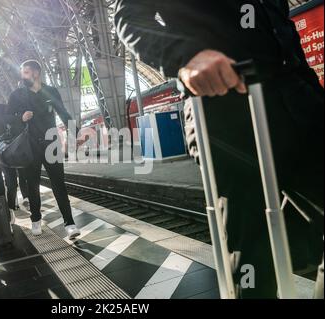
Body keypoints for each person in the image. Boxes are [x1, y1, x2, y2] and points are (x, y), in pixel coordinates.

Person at [114, 0, 324, 298]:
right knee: (253, 255)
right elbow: (129, 18)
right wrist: (185, 57)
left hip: (298, 101)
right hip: (227, 110)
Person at [7, 60, 80, 239]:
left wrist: (76, 133)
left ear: (36, 73)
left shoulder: (51, 91)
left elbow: (63, 112)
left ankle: (70, 223)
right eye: (22, 72)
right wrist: (21, 118)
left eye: (26, 72)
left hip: (51, 144)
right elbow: (7, 119)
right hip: (29, 146)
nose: (23, 75)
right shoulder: (17, 95)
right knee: (32, 185)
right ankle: (36, 219)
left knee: (59, 184)